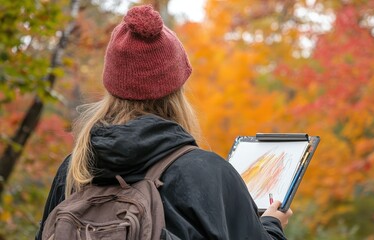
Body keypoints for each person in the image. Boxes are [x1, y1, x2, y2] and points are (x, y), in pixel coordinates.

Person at [35, 4, 293, 240]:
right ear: (177, 88)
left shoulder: (75, 170)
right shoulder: (208, 174)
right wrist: (271, 225)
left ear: (112, 85)